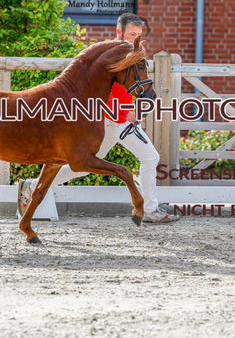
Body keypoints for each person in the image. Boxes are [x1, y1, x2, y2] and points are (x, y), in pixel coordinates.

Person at [18, 13, 180, 224]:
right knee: (82, 166)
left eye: (139, 35)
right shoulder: (108, 56)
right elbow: (99, 93)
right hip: (106, 122)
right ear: (119, 32)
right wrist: (124, 112)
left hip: (121, 121)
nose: (136, 40)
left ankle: (149, 209)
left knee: (149, 157)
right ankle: (32, 186)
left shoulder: (130, 55)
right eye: (132, 34)